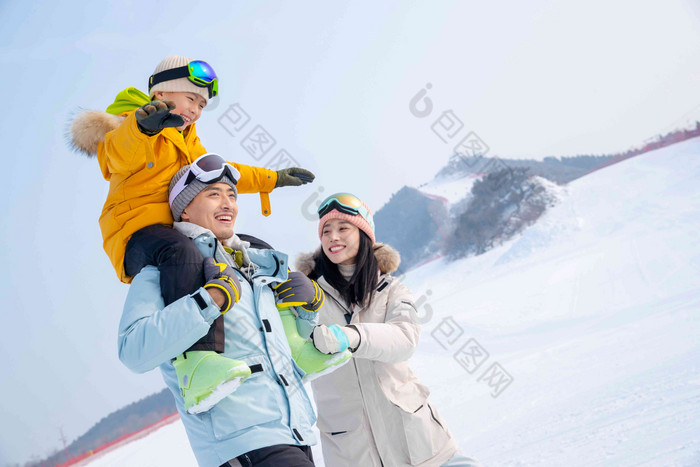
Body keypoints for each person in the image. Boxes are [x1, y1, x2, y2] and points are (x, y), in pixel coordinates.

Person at [70, 55, 317, 412]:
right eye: (192, 100)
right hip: (136, 234)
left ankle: (294, 342)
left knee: (255, 250)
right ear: (162, 91)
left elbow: (224, 173)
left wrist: (272, 179)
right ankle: (196, 363)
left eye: (202, 105)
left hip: (177, 232)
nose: (197, 110)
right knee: (182, 253)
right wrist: (143, 127)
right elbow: (116, 157)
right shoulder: (129, 125)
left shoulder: (189, 142)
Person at [118, 160, 330, 466]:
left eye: (232, 194)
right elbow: (133, 350)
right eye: (213, 194)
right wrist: (209, 300)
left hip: (293, 432)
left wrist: (309, 311)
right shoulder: (164, 271)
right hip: (240, 444)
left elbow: (285, 356)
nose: (227, 202)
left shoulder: (254, 268)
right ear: (184, 210)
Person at [296, 193, 481, 466]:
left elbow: (405, 338)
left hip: (420, 444)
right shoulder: (306, 298)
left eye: (343, 228)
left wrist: (349, 336)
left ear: (364, 235)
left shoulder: (392, 290)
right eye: (326, 231)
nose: (333, 237)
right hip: (352, 451)